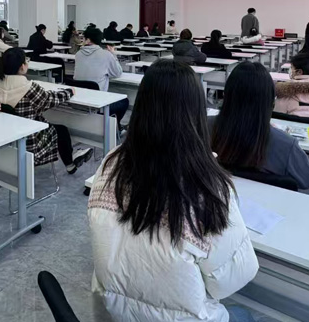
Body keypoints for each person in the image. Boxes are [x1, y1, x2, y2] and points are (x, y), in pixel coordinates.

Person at [88, 59, 258, 321]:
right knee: (245, 314)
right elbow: (230, 281)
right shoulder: (208, 185)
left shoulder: (110, 164)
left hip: (113, 313)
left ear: (141, 106)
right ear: (196, 114)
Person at [212, 62, 309, 190]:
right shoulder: (285, 144)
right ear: (270, 101)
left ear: (225, 95)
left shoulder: (203, 127)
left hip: (216, 195)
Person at [0, 48, 93, 174]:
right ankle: (70, 164)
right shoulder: (29, 88)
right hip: (30, 140)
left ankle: (71, 162)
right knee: (61, 130)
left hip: (5, 138)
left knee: (54, 127)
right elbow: (51, 99)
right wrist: (69, 92)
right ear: (22, 67)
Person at [74, 27, 129, 128]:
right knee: (124, 101)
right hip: (98, 104)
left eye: (83, 38)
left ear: (88, 40)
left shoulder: (78, 54)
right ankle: (116, 127)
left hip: (79, 100)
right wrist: (113, 54)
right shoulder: (106, 55)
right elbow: (117, 73)